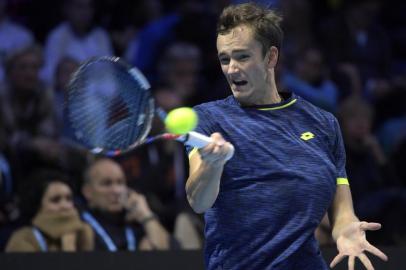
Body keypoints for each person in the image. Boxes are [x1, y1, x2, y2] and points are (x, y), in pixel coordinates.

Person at [185, 3, 388, 270]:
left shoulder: (324, 123)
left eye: (242, 57)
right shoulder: (208, 119)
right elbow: (198, 201)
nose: (232, 69)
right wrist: (212, 165)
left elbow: (342, 210)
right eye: (225, 59)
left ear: (271, 57)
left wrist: (347, 229)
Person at [81, 158, 174, 251]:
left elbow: (171, 254)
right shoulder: (80, 224)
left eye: (120, 182)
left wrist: (146, 215)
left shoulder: (137, 223)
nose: (116, 190)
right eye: (106, 183)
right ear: (87, 191)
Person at [5, 170, 93, 252]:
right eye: (55, 200)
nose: (65, 206)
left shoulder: (84, 233)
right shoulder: (24, 239)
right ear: (37, 205)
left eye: (68, 199)